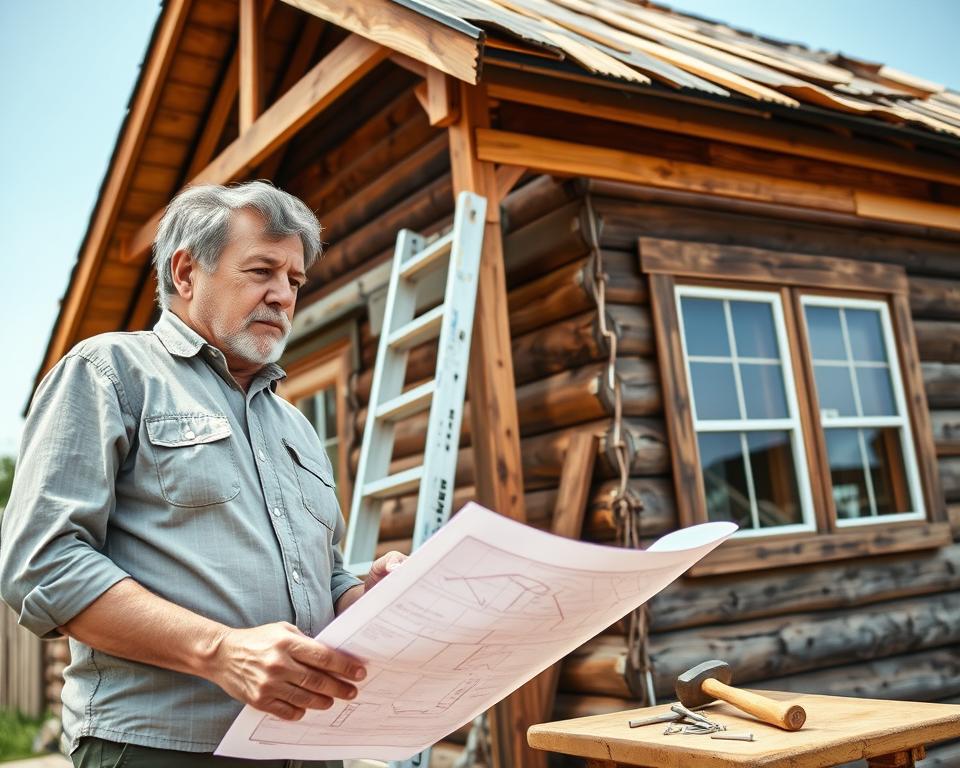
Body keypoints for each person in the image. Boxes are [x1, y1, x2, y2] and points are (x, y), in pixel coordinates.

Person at [0, 181, 405, 768]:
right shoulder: (109, 372)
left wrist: (367, 596)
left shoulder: (296, 425)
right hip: (158, 750)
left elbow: (326, 574)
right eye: (261, 270)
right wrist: (221, 651)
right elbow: (43, 563)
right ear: (187, 273)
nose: (282, 296)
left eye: (294, 281)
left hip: (309, 748)